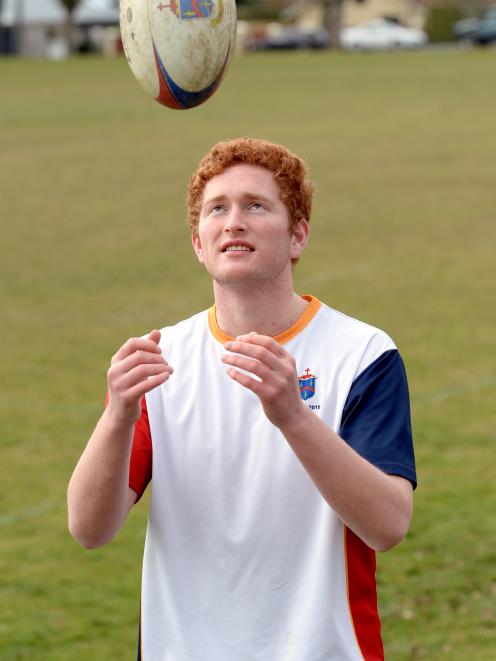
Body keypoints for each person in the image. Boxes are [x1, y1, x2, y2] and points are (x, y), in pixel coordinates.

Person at [68, 137, 416, 661]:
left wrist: (293, 416)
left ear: (298, 235)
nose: (234, 221)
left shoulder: (363, 353)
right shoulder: (161, 358)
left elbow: (388, 525)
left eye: (256, 205)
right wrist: (118, 416)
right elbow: (89, 529)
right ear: (198, 242)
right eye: (217, 209)